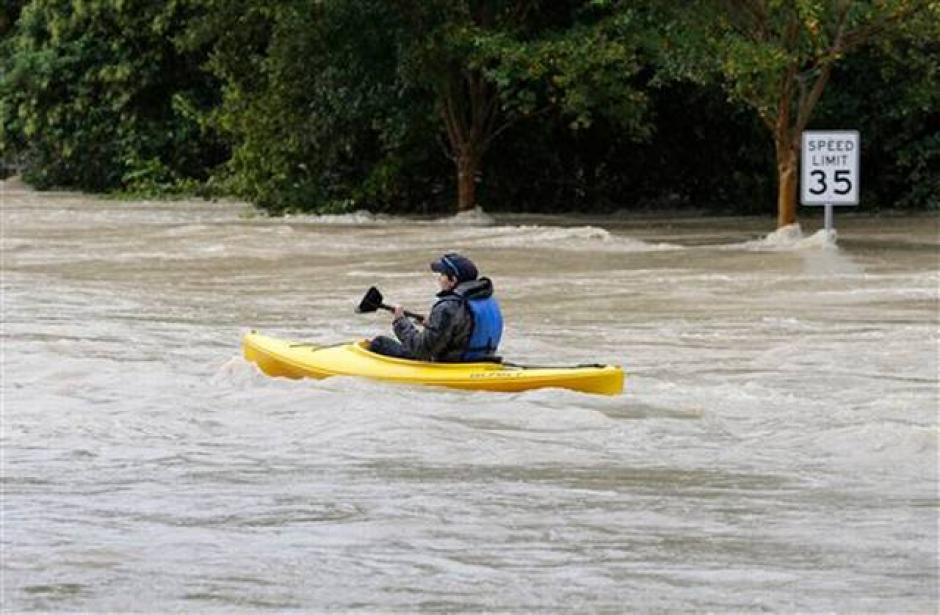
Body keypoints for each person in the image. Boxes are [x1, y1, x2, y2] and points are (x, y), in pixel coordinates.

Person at [368, 253, 503, 362]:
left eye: (442, 275)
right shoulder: (488, 300)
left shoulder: (448, 307)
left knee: (379, 343)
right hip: (483, 361)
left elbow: (422, 349)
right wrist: (432, 324)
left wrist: (400, 322)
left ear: (453, 280)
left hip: (453, 364)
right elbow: (463, 329)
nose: (439, 279)